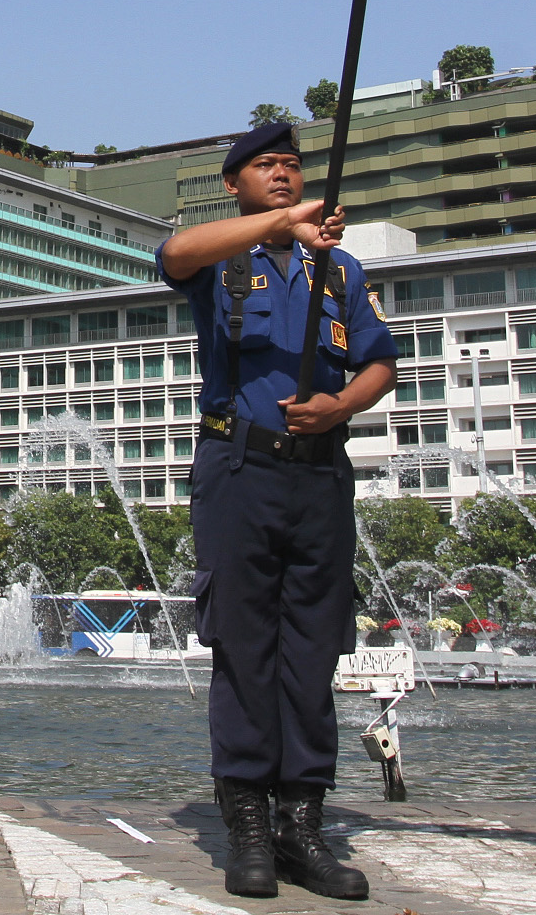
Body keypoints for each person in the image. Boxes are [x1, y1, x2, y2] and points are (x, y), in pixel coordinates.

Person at [158, 121, 395, 901]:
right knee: (244, 643)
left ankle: (302, 824)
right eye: (269, 167)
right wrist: (282, 226)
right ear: (237, 183)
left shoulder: (340, 270)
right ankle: (248, 826)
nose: (285, 176)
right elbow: (172, 257)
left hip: (319, 472)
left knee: (313, 650)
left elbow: (380, 363)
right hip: (239, 468)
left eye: (293, 167)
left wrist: (340, 407)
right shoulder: (225, 261)